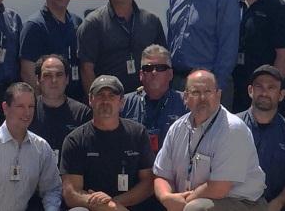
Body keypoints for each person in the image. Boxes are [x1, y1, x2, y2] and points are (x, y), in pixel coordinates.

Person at [152, 70, 267, 211]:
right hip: (195, 200)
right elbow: (161, 175)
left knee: (196, 209)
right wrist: (166, 197)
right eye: (195, 92)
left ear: (218, 95)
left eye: (208, 92)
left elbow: (219, 188)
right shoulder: (177, 128)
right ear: (185, 97)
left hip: (243, 203)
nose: (202, 98)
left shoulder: (232, 129)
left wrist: (182, 203)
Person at [61, 76, 156, 211]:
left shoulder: (138, 133)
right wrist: (108, 206)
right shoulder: (75, 140)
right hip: (93, 208)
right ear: (90, 100)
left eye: (111, 96)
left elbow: (148, 182)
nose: (105, 101)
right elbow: (71, 193)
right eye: (100, 95)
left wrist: (114, 203)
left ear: (121, 102)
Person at [166, 0, 241, 108]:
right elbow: (171, 38)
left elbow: (228, 49)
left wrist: (214, 88)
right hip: (178, 83)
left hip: (208, 85)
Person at [79, 0, 166, 92]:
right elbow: (86, 69)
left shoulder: (151, 21)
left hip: (147, 97)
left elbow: (163, 62)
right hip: (110, 99)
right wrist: (96, 100)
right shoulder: (93, 23)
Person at [236, 65, 285, 211]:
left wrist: (278, 202)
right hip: (235, 203)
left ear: (281, 95)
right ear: (250, 91)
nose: (264, 93)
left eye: (271, 87)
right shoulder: (231, 127)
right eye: (259, 86)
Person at [0, 82, 62, 211]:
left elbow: (52, 189)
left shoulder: (41, 147)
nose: (27, 112)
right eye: (20, 106)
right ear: (5, 108)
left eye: (31, 106)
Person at [21, 0, 84, 100]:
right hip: (49, 103)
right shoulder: (34, 26)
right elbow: (28, 73)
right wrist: (42, 105)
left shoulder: (77, 22)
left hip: (75, 101)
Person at [121, 45, 188, 152]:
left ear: (170, 74)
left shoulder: (186, 102)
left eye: (160, 68)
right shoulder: (124, 103)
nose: (154, 72)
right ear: (141, 75)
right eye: (148, 68)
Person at [29, 54, 93, 160]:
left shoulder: (82, 113)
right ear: (38, 79)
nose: (54, 80)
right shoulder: (28, 110)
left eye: (59, 75)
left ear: (67, 79)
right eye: (47, 75)